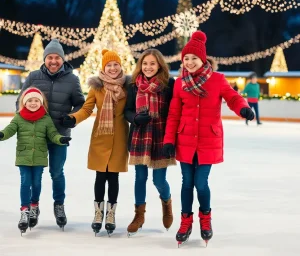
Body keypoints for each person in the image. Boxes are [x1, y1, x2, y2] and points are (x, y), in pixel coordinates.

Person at [163, 31, 254, 247]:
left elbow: (233, 97)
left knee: (200, 183)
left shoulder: (217, 80)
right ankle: (186, 221)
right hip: (184, 139)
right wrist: (168, 140)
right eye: (186, 58)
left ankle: (205, 218)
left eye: (194, 58)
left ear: (203, 59)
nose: (190, 62)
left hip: (207, 140)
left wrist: (243, 109)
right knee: (187, 184)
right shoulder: (179, 83)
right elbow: (174, 113)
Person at [16, 39, 85, 229]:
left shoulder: (72, 79)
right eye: (50, 58)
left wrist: (72, 117)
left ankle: (59, 205)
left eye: (57, 58)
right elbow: (20, 101)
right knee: (34, 174)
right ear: (45, 59)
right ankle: (32, 206)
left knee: (56, 172)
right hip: (35, 136)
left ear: (62, 59)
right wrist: (24, 122)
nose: (53, 61)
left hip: (59, 134)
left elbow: (81, 103)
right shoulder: (33, 76)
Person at [62, 49, 130, 236]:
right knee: (101, 176)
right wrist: (73, 118)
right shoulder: (96, 87)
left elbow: (132, 109)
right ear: (104, 67)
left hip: (119, 137)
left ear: (120, 66)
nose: (113, 68)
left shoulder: (128, 87)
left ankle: (111, 214)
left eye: (116, 64)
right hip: (101, 136)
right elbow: (86, 109)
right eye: (109, 65)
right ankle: (98, 213)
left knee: (113, 177)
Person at [0, 88, 71, 235]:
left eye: (36, 100)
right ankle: (24, 210)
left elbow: (52, 134)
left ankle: (34, 206)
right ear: (24, 103)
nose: (33, 103)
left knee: (37, 182)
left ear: (41, 102)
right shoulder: (19, 117)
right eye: (30, 100)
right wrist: (2, 134)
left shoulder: (45, 118)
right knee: (26, 182)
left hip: (39, 157)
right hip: (23, 156)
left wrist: (61, 139)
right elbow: (10, 129)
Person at [124, 48, 176, 236]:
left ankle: (167, 203)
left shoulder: (169, 84)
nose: (148, 67)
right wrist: (136, 118)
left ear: (159, 65)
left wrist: (172, 138)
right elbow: (127, 110)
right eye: (145, 63)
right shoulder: (133, 85)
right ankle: (139, 216)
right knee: (140, 178)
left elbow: (174, 113)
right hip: (140, 136)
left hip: (161, 136)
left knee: (159, 180)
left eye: (152, 63)